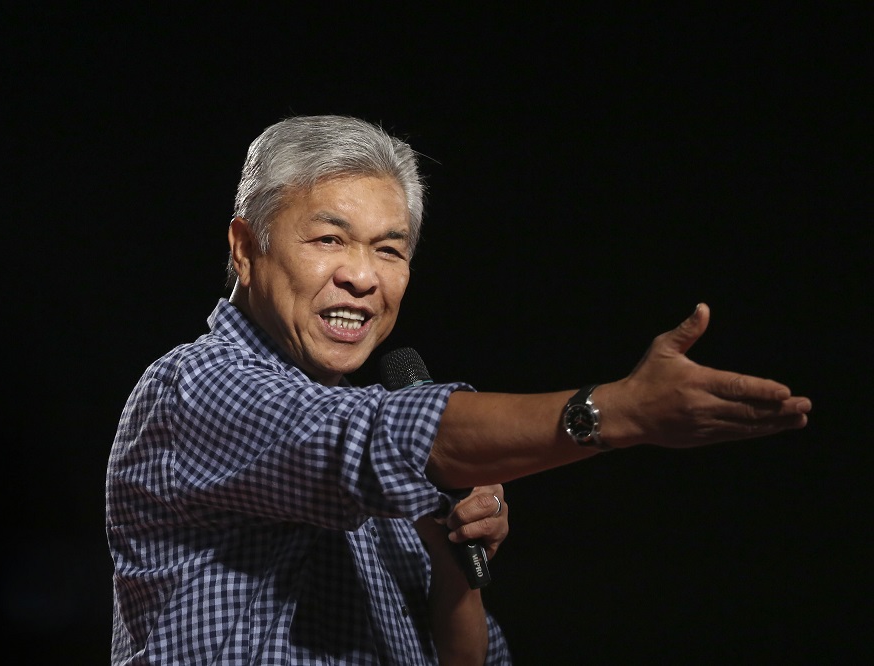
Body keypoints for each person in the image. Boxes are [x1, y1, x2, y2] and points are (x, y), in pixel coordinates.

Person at [106, 115, 811, 665]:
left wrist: (451, 555)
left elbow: (469, 658)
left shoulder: (395, 459)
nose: (364, 276)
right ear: (244, 248)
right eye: (330, 239)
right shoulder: (193, 387)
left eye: (389, 248)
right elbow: (377, 440)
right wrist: (615, 412)